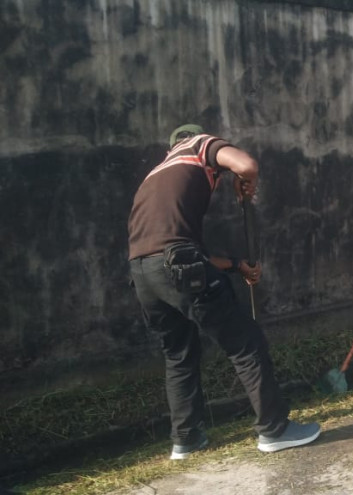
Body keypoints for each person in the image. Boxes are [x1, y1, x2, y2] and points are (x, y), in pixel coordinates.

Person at [127, 124, 320, 459]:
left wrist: (235, 265)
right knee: (246, 343)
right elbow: (247, 165)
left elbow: (179, 252)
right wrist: (244, 183)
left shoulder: (154, 177)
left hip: (143, 273)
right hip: (176, 265)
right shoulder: (199, 146)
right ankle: (275, 430)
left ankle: (185, 440)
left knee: (179, 355)